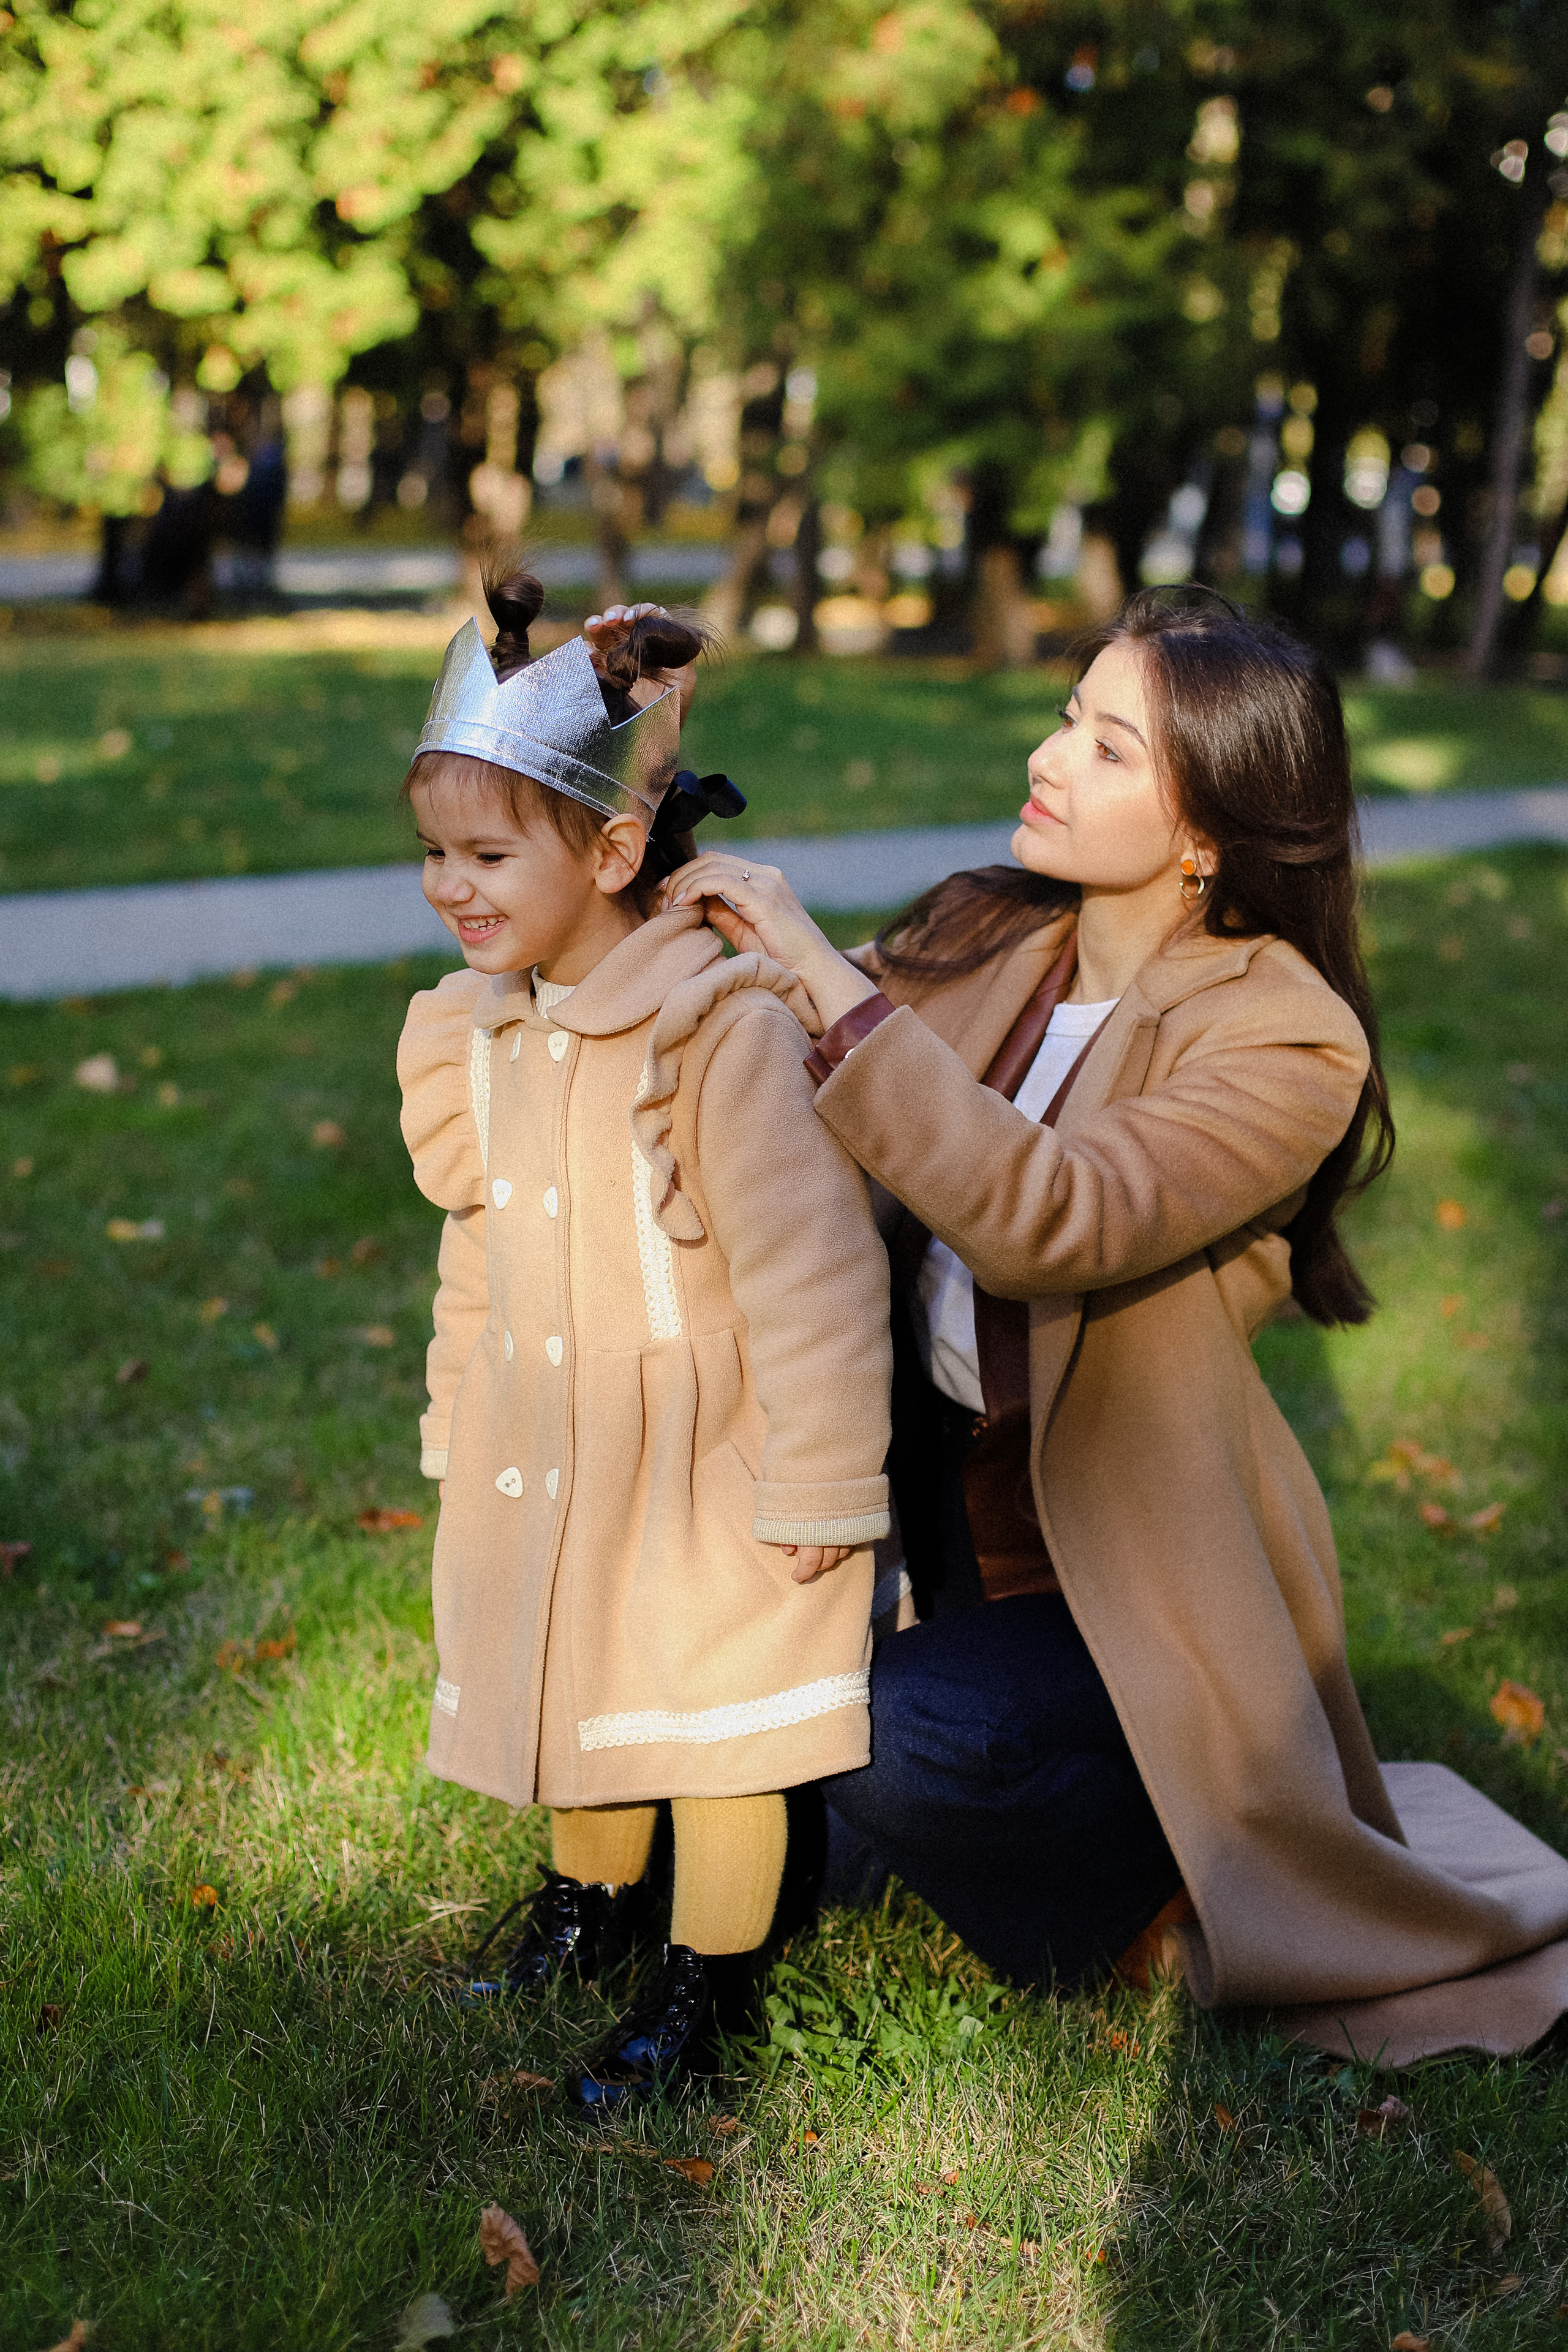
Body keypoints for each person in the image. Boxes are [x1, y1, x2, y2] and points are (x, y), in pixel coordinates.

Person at [667, 586, 1568, 2064]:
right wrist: (646, 753)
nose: (1046, 755)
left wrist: (824, 971)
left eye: (1104, 747)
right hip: (915, 1538)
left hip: (1110, 1595)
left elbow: (1053, 1214)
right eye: (1063, 717)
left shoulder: (1282, 1035)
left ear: (1206, 825)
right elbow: (790, 1067)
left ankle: (1165, 1881)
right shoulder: (990, 931)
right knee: (687, 1755)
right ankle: (938, 1805)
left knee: (885, 1738)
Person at [396, 568, 892, 2106]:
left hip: (706, 1454)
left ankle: (708, 1983)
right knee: (573, 1673)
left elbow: (815, 1273)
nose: (451, 888)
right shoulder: (477, 1033)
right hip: (553, 1442)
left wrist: (817, 1480)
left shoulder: (714, 1027)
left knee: (713, 1725)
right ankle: (589, 1912)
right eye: (431, 855)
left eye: (486, 854)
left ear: (614, 849)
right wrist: (451, 1410)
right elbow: (478, 1247)